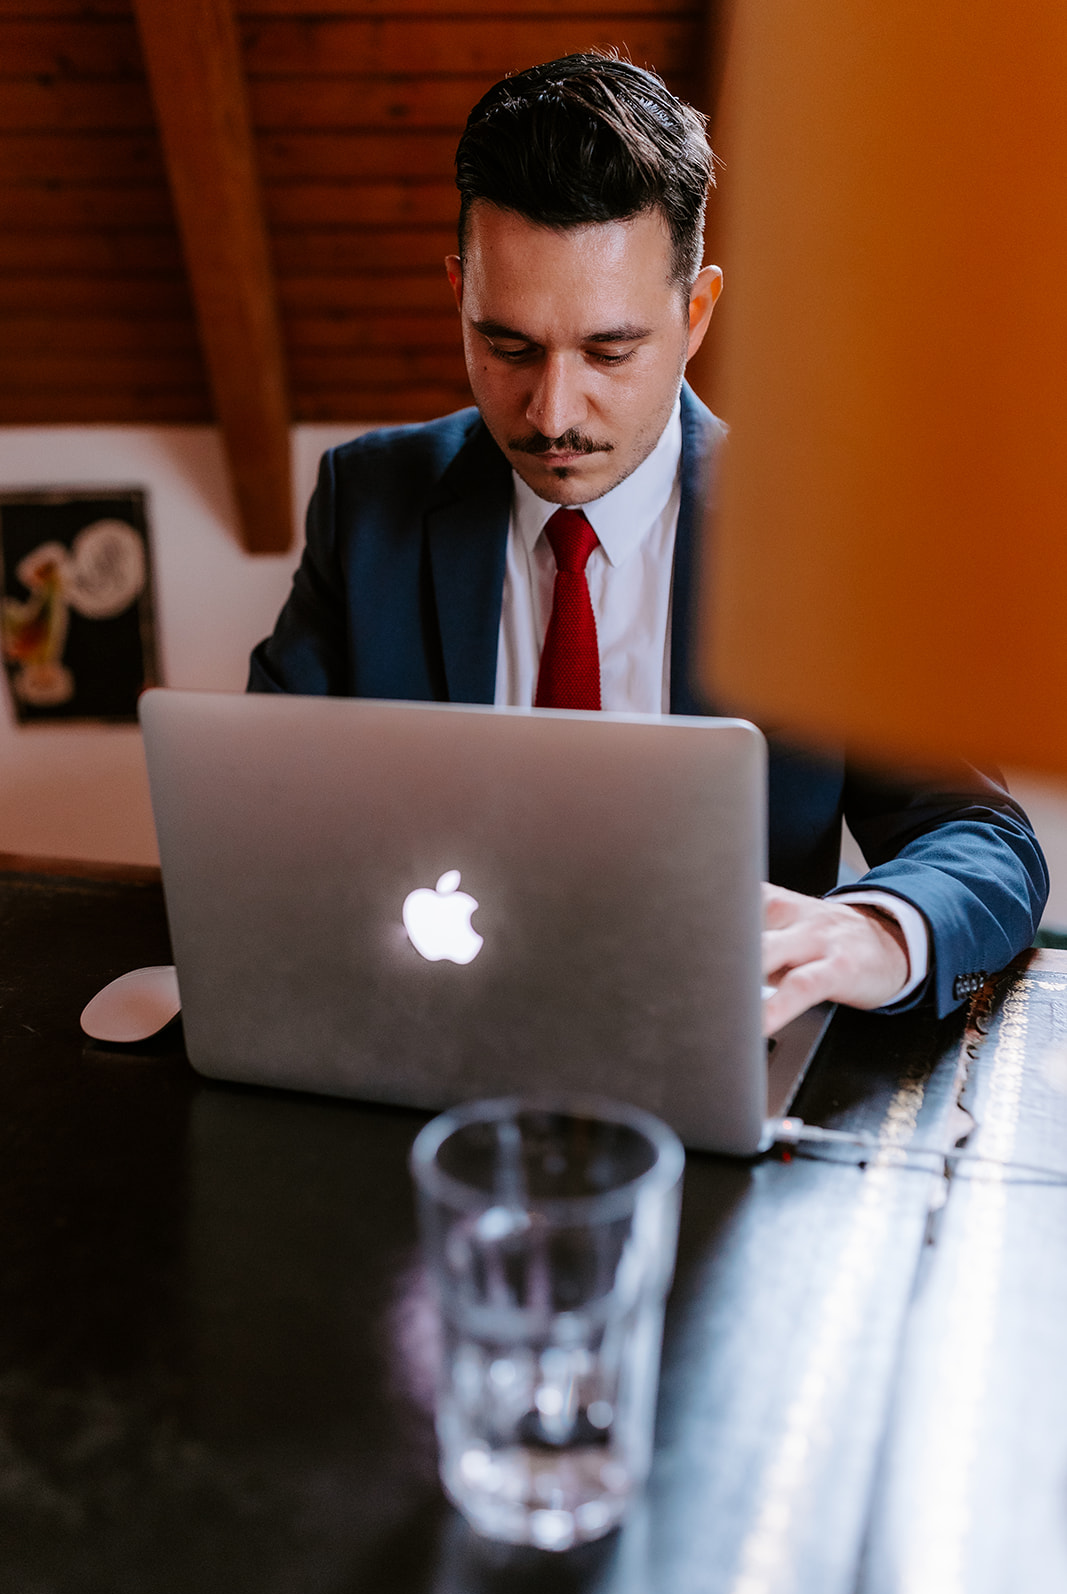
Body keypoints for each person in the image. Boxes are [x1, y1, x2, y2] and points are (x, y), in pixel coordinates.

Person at [249, 52, 1048, 1032]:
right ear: (460, 292)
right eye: (506, 346)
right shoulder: (364, 498)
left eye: (608, 352)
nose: (551, 412)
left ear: (694, 313)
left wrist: (873, 930)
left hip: (711, 1053)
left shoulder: (824, 535)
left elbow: (981, 837)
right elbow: (259, 802)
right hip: (420, 1033)